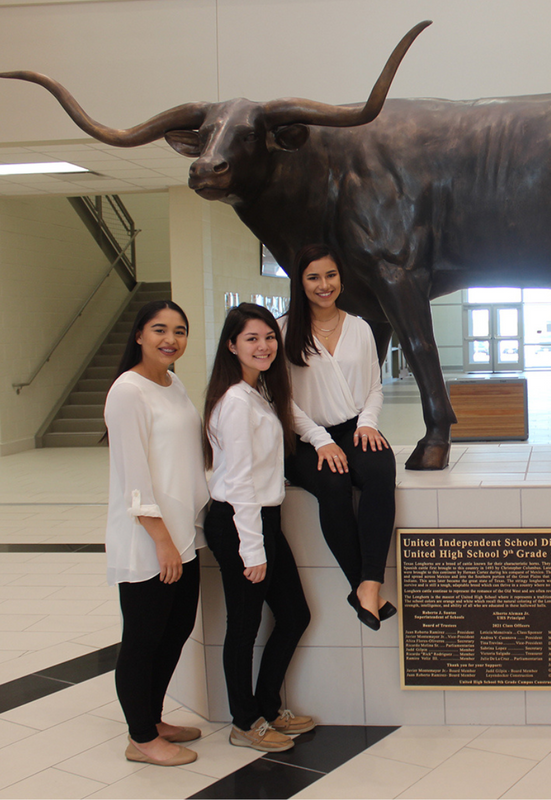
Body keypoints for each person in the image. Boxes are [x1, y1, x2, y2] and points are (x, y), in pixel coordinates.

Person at [203, 303, 313, 752]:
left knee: (294, 615)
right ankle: (245, 721)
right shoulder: (234, 401)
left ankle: (267, 706)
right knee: (244, 625)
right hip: (239, 522)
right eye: (251, 338)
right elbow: (241, 482)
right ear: (232, 345)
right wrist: (253, 550)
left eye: (269, 337)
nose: (264, 346)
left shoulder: (258, 391)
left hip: (263, 519)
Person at [104, 300, 209, 766]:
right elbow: (134, 475)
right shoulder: (128, 391)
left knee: (177, 628)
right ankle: (140, 738)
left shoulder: (172, 382)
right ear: (140, 335)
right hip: (150, 539)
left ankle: (154, 716)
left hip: (183, 532)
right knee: (144, 637)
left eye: (180, 331)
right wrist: (161, 539)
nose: (171, 339)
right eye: (160, 329)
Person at [282, 243, 397, 630]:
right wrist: (319, 439)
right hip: (303, 437)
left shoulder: (360, 327)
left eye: (330, 275)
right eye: (313, 277)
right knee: (334, 482)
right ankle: (363, 587)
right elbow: (282, 400)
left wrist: (367, 422)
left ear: (341, 279)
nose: (323, 284)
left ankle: (369, 584)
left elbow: (374, 386)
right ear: (300, 283)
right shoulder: (283, 331)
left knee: (380, 471)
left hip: (354, 426)